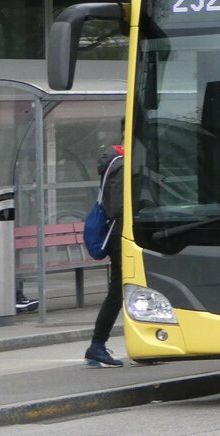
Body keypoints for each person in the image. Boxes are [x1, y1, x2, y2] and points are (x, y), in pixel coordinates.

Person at [85, 144, 124, 368]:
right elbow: (119, 206)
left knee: (125, 291)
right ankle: (97, 345)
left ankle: (98, 345)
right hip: (122, 235)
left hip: (119, 234)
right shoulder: (120, 164)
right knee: (118, 292)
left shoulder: (116, 161)